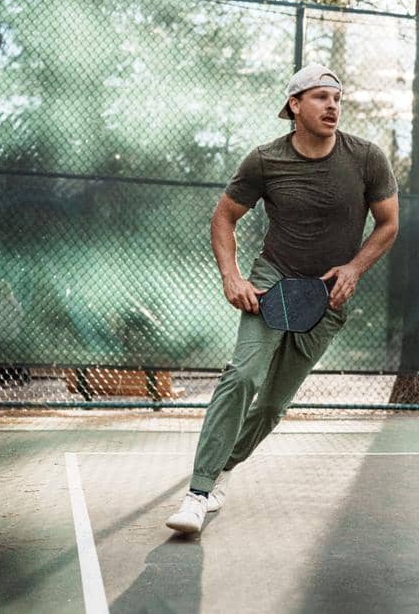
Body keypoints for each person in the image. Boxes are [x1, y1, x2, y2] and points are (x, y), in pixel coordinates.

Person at [166, 64, 399, 534]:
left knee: (271, 406)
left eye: (337, 98)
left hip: (327, 296)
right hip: (272, 284)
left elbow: (389, 223)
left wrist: (354, 268)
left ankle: (220, 475)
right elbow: (223, 218)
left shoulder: (367, 158)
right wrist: (232, 277)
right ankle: (196, 492)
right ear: (295, 105)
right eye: (320, 97)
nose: (332, 105)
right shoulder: (264, 160)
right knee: (244, 374)